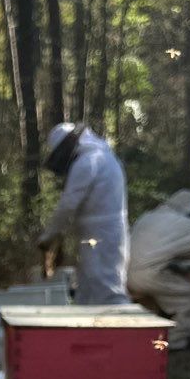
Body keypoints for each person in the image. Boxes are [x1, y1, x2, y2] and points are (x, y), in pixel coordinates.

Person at [37, 122, 131, 306]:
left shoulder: (90, 161)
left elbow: (68, 204)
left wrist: (49, 236)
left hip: (103, 236)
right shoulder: (101, 157)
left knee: (108, 292)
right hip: (99, 235)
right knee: (88, 294)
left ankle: (130, 332)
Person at [126, 189, 190, 349]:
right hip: (146, 277)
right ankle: (175, 342)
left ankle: (143, 342)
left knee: (151, 308)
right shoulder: (179, 222)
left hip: (125, 276)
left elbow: (156, 253)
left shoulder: (149, 217)